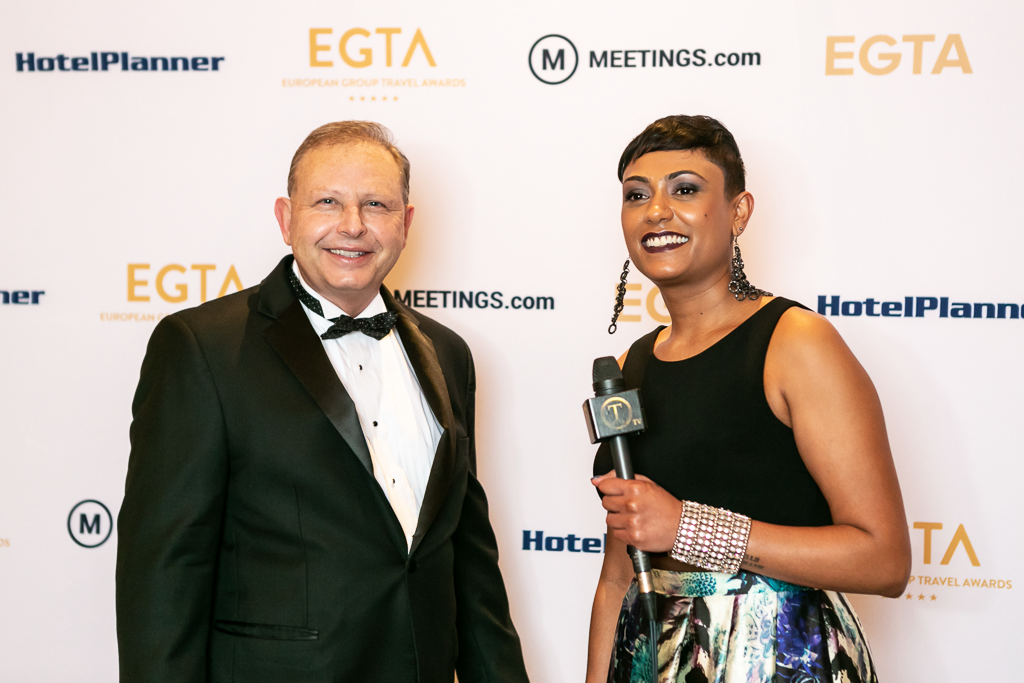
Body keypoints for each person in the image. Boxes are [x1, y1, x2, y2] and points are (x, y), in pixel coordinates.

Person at [116, 121, 530, 683]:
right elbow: (164, 573)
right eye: (327, 202)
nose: (352, 225)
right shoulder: (201, 348)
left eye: (376, 204)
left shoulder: (448, 353)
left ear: (405, 223)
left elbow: (470, 563)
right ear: (286, 219)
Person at [586, 115, 911, 683]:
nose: (656, 210)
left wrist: (688, 527)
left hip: (780, 657)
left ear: (739, 212)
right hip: (649, 657)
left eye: (685, 189)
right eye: (637, 195)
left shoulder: (795, 342)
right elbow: (618, 575)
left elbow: (884, 561)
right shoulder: (632, 364)